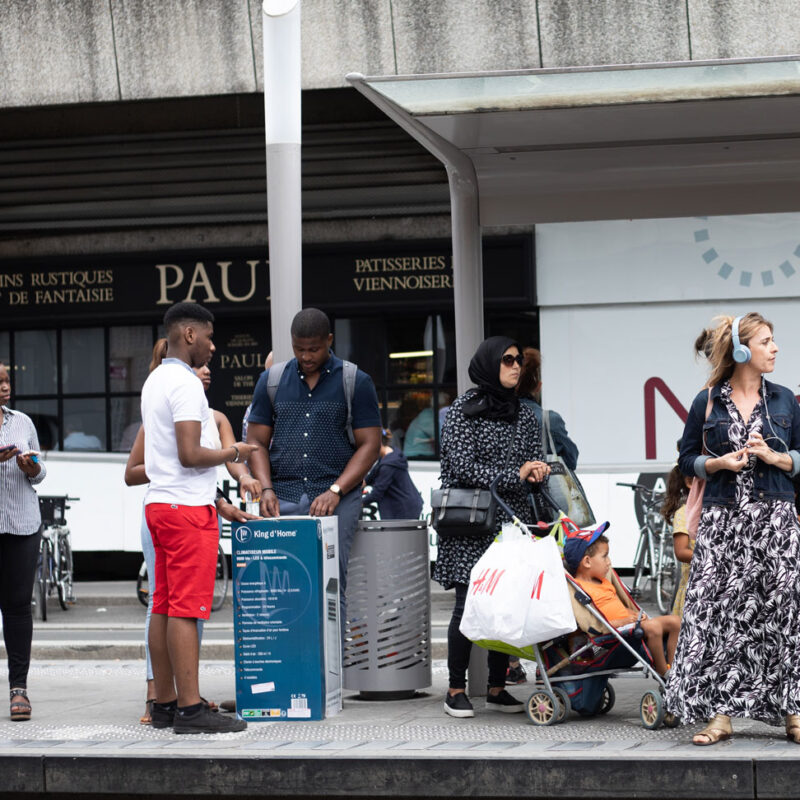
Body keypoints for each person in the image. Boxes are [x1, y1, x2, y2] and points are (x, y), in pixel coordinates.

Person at [666, 312, 800, 746]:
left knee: (783, 615)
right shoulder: (707, 402)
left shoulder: (784, 400)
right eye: (766, 341)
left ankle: (793, 714)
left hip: (775, 521)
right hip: (724, 523)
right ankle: (721, 717)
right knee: (722, 618)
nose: (775, 348)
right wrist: (716, 464)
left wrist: (779, 459)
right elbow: (685, 460)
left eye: (773, 340)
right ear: (742, 351)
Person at [125, 339, 261, 724]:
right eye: (208, 338)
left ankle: (165, 703)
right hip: (184, 512)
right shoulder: (182, 386)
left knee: (164, 605)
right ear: (189, 336)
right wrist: (234, 453)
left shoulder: (154, 383)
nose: (212, 353)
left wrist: (226, 494)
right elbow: (189, 456)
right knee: (185, 609)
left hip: (162, 506)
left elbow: (176, 459)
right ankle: (190, 708)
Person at [434, 336, 551, 719]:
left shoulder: (525, 414)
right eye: (507, 360)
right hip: (472, 522)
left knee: (508, 601)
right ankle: (455, 690)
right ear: (489, 365)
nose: (515, 367)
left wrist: (538, 470)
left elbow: (534, 461)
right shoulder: (461, 412)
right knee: (467, 604)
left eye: (518, 360)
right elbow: (463, 468)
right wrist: (514, 474)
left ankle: (497, 687)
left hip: (512, 520)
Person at [246, 308, 381, 639]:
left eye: (314, 349)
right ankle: (288, 661)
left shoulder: (355, 381)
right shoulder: (272, 380)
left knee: (332, 583)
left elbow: (370, 445)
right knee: (279, 586)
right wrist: (265, 489)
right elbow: (256, 442)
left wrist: (336, 490)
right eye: (299, 348)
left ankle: (331, 673)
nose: (306, 356)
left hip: (338, 498)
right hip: (282, 496)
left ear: (329, 341)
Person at [505, 347, 580, 685]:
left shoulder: (500, 417)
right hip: (547, 515)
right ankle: (548, 664)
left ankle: (509, 665)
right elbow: (571, 459)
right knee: (550, 589)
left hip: (510, 513)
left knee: (515, 588)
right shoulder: (546, 418)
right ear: (537, 384)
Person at [565, 531, 680, 677]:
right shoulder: (580, 590)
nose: (609, 562)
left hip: (630, 624)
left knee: (675, 621)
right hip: (614, 632)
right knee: (655, 627)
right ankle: (663, 671)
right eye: (604, 556)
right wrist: (624, 620)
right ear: (587, 562)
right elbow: (595, 624)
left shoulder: (603, 581)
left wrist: (634, 614)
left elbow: (618, 607)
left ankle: (675, 667)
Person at [0, 360, 45, 722]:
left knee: (17, 606)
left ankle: (19, 689)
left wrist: (31, 467)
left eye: (6, 380)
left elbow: (40, 471)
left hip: (22, 524)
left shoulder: (22, 422)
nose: (4, 387)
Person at [516, 347, 579, 470]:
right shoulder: (550, 420)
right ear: (538, 387)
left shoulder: (495, 417)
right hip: (542, 487)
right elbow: (571, 460)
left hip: (504, 487)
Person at [363, 429, 423, 520]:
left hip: (403, 509)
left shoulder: (388, 465)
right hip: (407, 505)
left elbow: (377, 493)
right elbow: (369, 478)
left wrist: (358, 503)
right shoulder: (388, 456)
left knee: (398, 534)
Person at [661, 464, 693, 618]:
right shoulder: (684, 513)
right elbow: (681, 552)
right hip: (693, 586)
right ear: (690, 482)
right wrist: (711, 557)